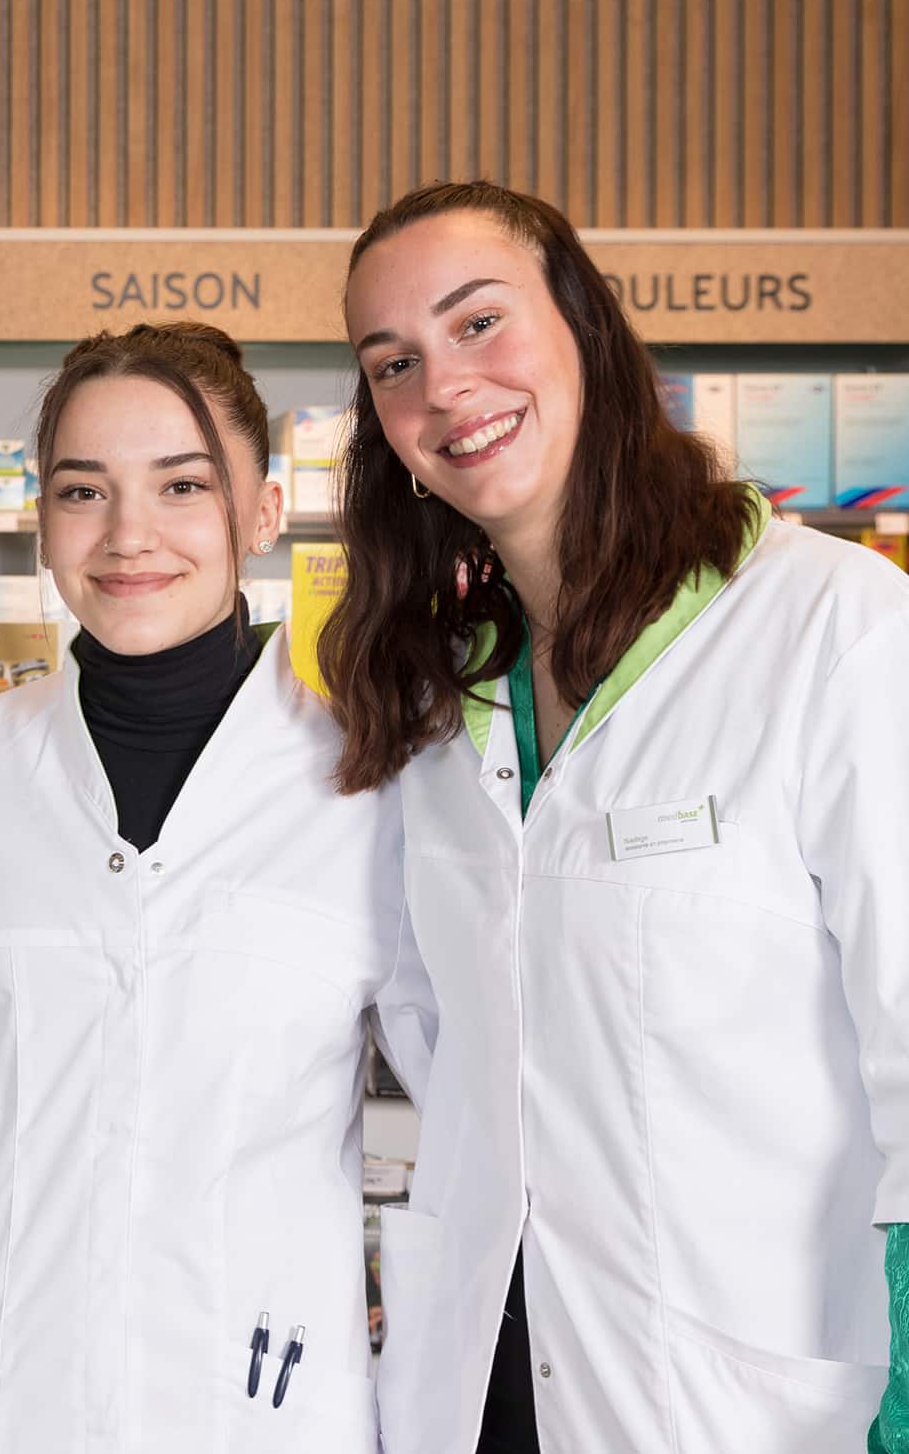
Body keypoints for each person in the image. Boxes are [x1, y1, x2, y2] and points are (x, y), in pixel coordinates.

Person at [323, 180, 909, 1454]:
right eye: (393, 362)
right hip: (491, 1377)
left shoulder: (828, 625)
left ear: (583, 324)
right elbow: (447, 1040)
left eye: (479, 323)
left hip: (748, 1385)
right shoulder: (436, 696)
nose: (445, 388)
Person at [0, 323, 430, 1453]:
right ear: (44, 517)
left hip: (256, 1395)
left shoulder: (374, 782)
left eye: (183, 485)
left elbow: (472, 1092)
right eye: (84, 490)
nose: (128, 536)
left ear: (262, 512)